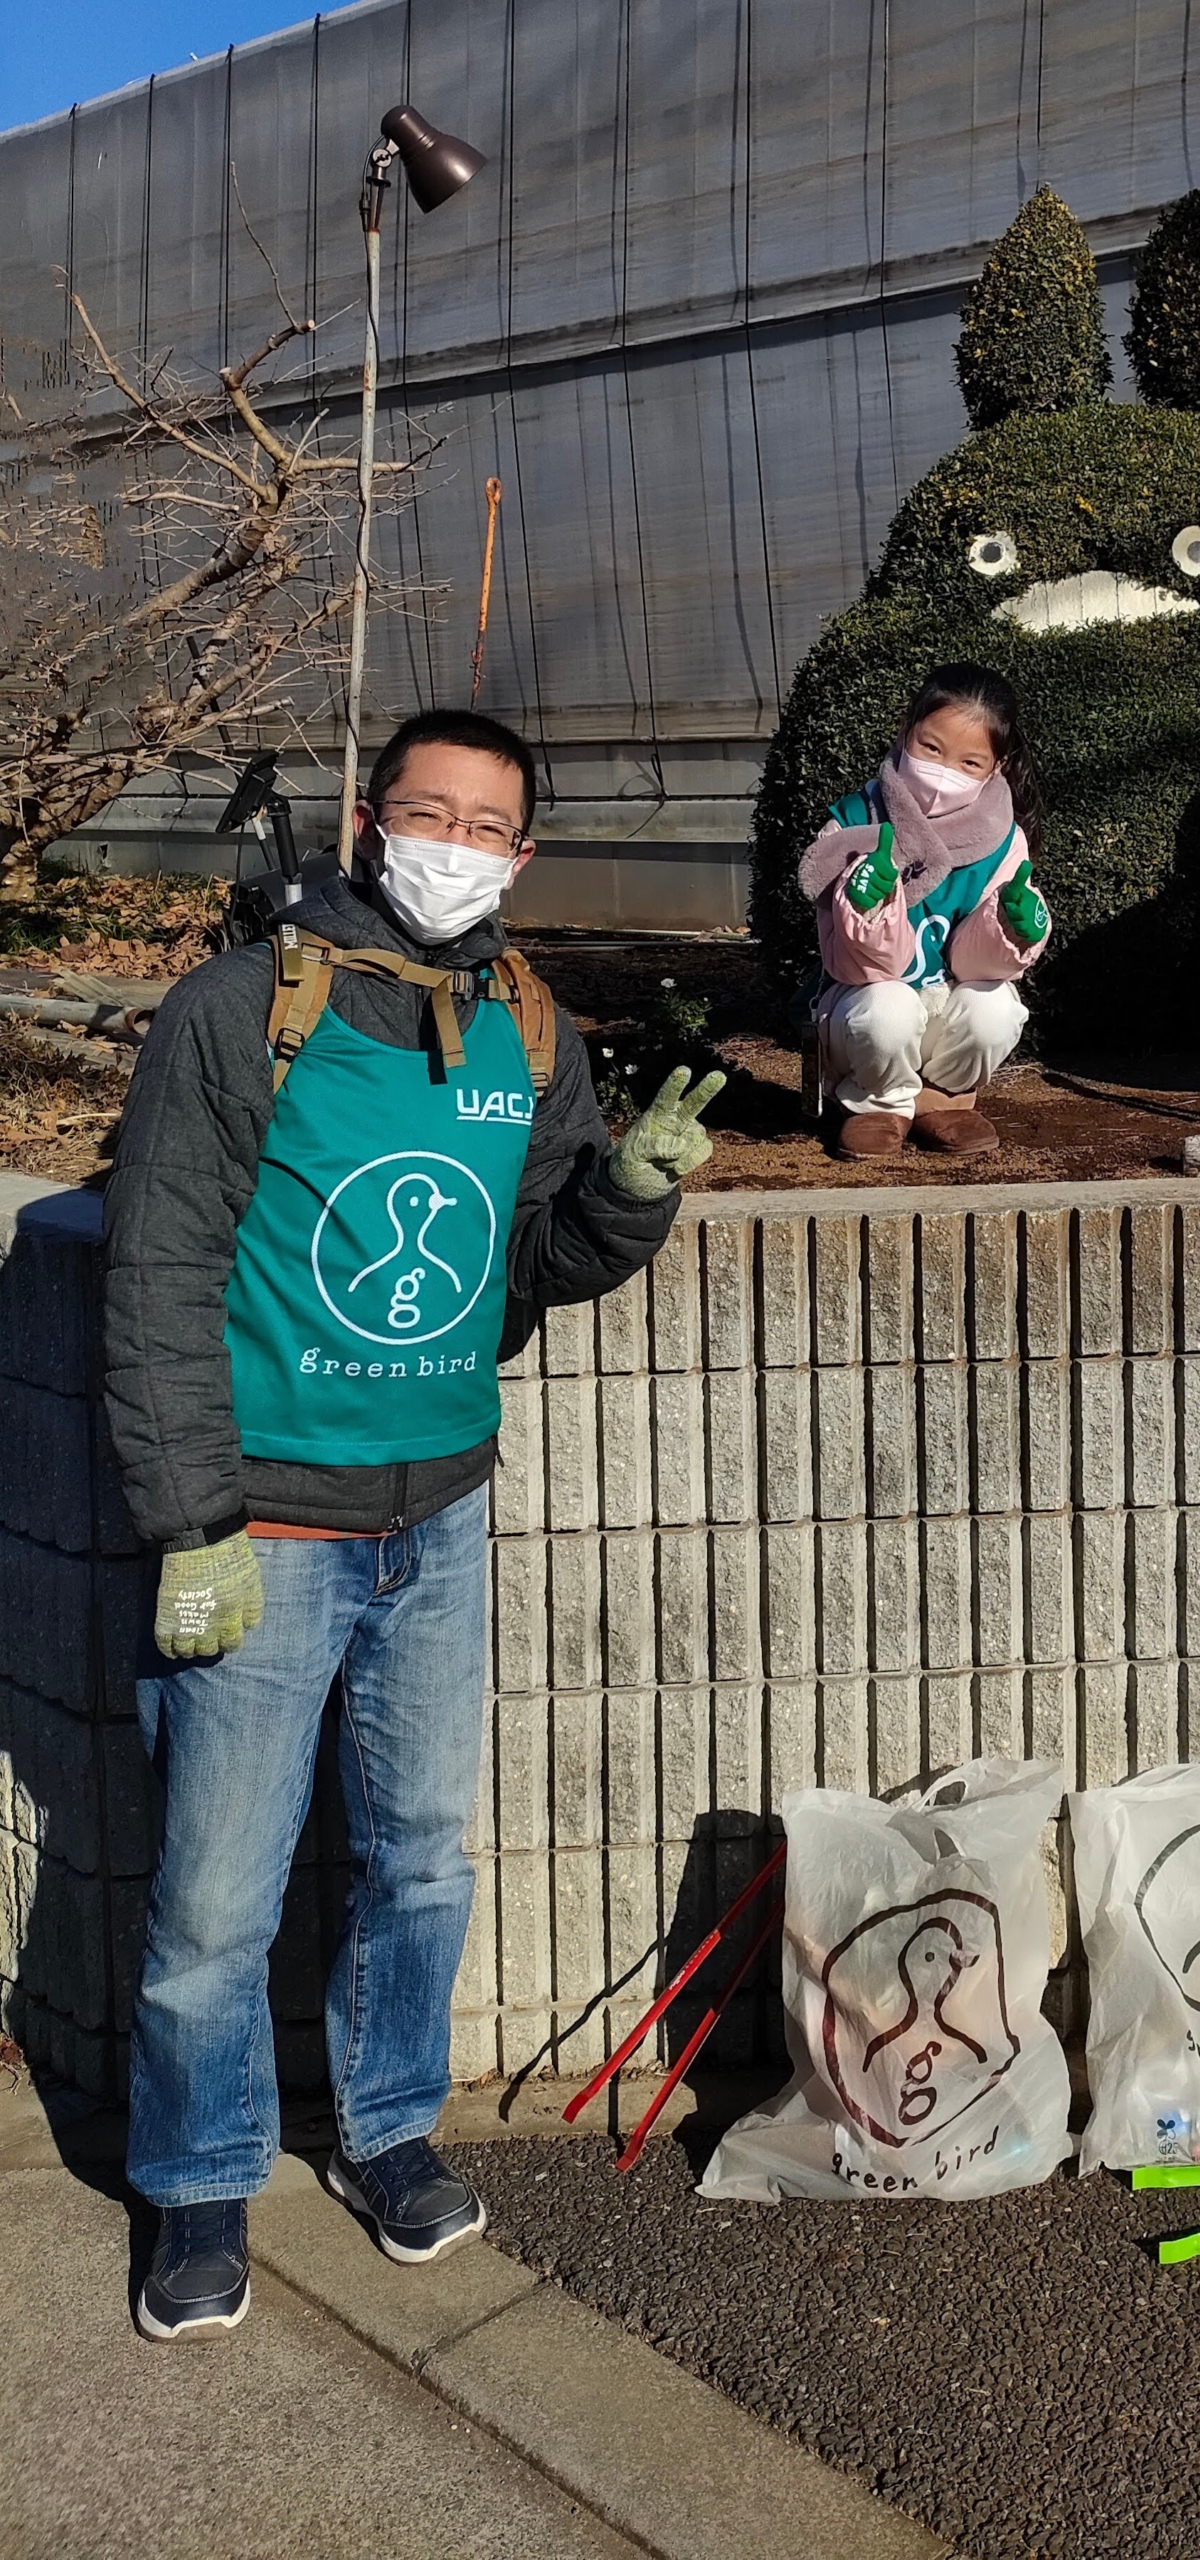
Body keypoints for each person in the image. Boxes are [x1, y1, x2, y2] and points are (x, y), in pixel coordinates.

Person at [102, 708, 721, 2340]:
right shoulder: (241, 1014)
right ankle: (194, 2179)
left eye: (486, 823)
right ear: (370, 823)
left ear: (519, 857)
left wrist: (629, 1202)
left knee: (417, 1865)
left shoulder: (527, 1028)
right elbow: (158, 1273)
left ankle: (384, 2131)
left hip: (438, 1524)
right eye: (422, 810)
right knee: (214, 1902)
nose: (452, 842)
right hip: (269, 1531)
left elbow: (528, 1263)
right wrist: (191, 1520)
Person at [799, 661, 1050, 1160]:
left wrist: (1011, 928)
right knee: (887, 1007)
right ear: (904, 730)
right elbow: (856, 967)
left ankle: (945, 1097)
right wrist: (865, 910)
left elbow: (970, 966)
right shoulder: (851, 823)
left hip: (944, 1003)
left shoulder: (1004, 842)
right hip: (863, 1012)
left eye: (970, 763)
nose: (942, 772)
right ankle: (879, 1104)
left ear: (996, 767)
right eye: (930, 748)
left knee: (995, 1006)